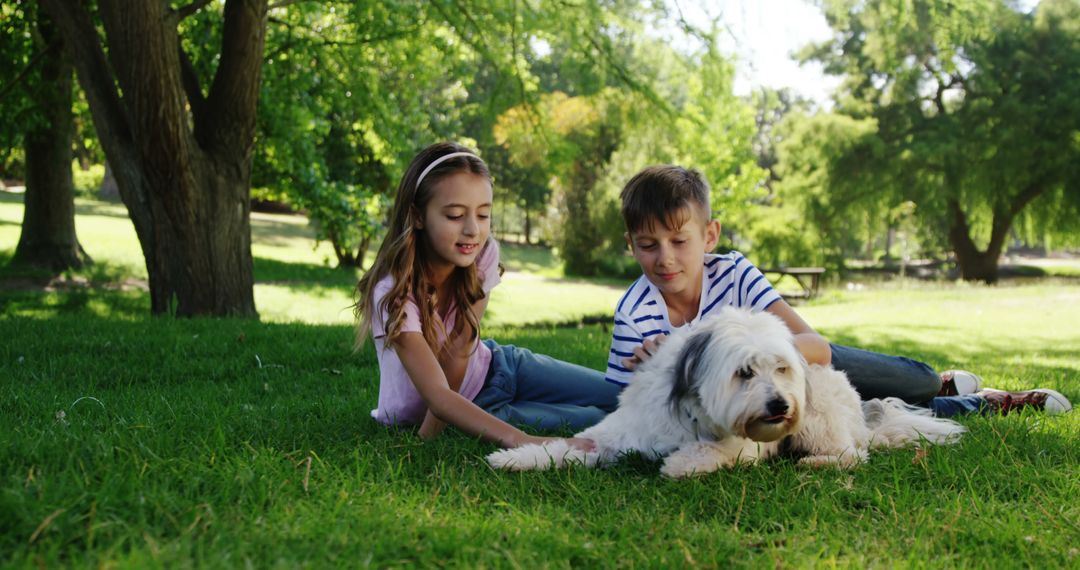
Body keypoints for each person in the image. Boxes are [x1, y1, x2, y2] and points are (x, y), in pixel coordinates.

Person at [605, 165, 1072, 417]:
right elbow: (632, 408)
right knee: (870, 413)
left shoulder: (734, 274)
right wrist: (662, 372)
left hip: (810, 365)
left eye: (679, 242)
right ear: (631, 246)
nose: (665, 258)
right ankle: (985, 403)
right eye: (648, 245)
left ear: (709, 237)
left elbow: (815, 347)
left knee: (920, 385)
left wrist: (730, 352)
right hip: (765, 404)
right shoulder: (634, 313)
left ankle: (942, 382)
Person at [354, 142, 620, 448]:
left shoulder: (483, 254)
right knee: (599, 422)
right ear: (417, 216)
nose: (473, 230)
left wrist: (525, 442)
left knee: (624, 395)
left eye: (483, 215)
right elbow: (440, 396)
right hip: (476, 407)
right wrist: (522, 441)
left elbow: (460, 352)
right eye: (454, 215)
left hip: (502, 365)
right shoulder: (393, 293)